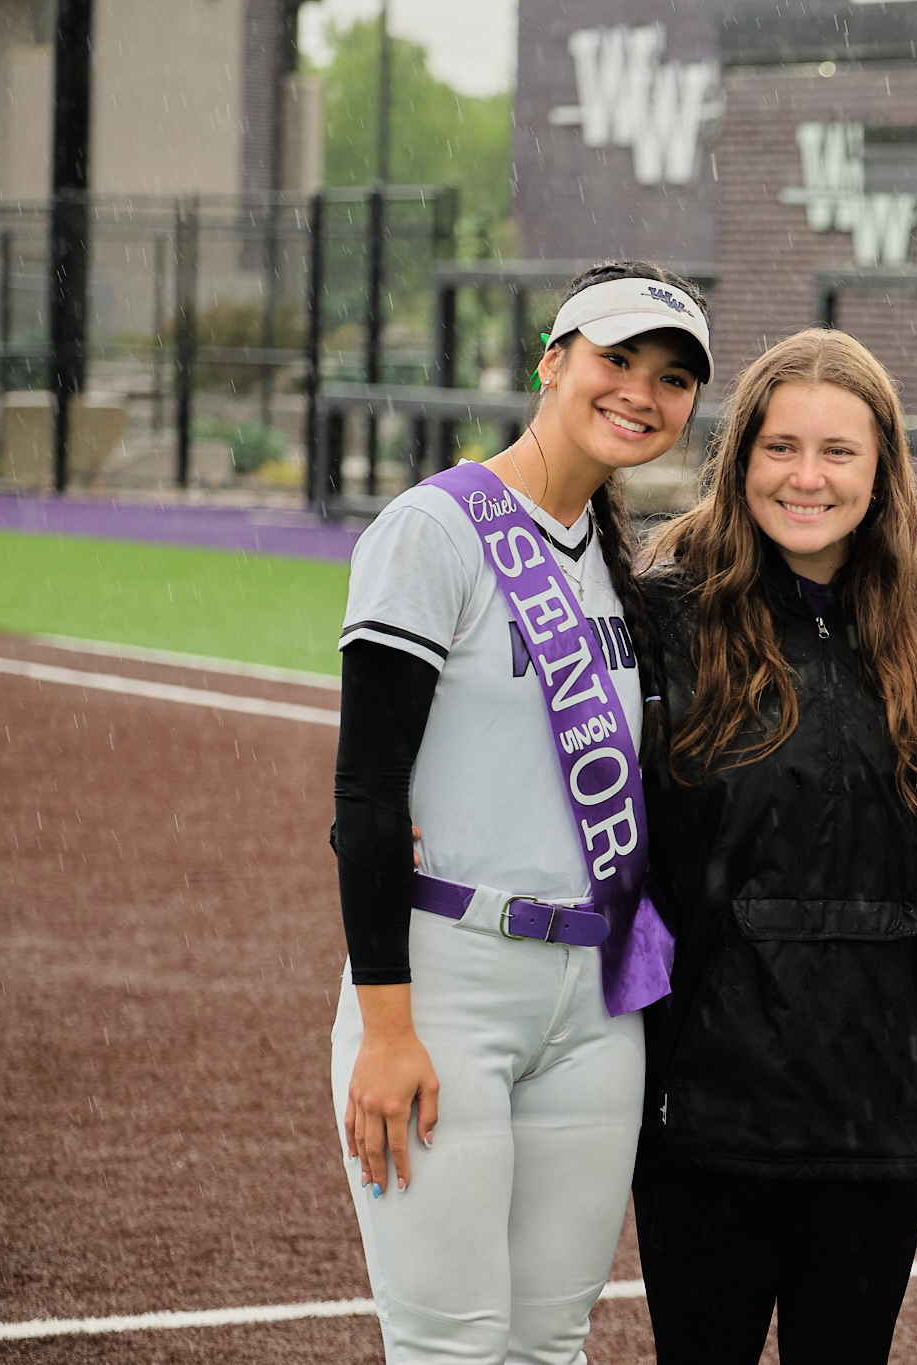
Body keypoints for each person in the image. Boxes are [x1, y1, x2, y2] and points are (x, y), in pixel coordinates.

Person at [329, 261, 711, 1362]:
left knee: (549, 1341)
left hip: (597, 1000)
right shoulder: (433, 530)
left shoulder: (613, 557)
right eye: (616, 359)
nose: (641, 391)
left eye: (672, 376)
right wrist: (386, 1028)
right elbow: (366, 790)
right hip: (450, 979)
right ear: (552, 363)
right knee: (449, 1345)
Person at [627, 330, 917, 1365]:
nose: (806, 477)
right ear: (739, 459)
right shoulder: (662, 614)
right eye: (780, 447)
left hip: (877, 1101)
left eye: (837, 451)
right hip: (706, 1103)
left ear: (882, 468)